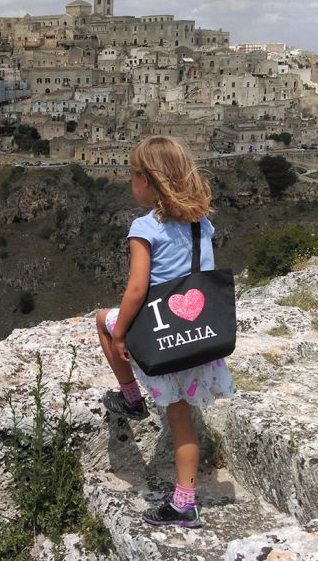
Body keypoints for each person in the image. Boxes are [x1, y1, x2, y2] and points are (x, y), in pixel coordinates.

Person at [95, 135, 234, 528]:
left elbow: (137, 289)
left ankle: (130, 398)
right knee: (181, 418)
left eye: (133, 174)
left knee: (101, 320)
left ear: (149, 181)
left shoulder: (144, 227)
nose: (130, 182)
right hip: (196, 336)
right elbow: (201, 276)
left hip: (161, 333)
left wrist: (121, 333)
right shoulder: (201, 222)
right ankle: (184, 501)